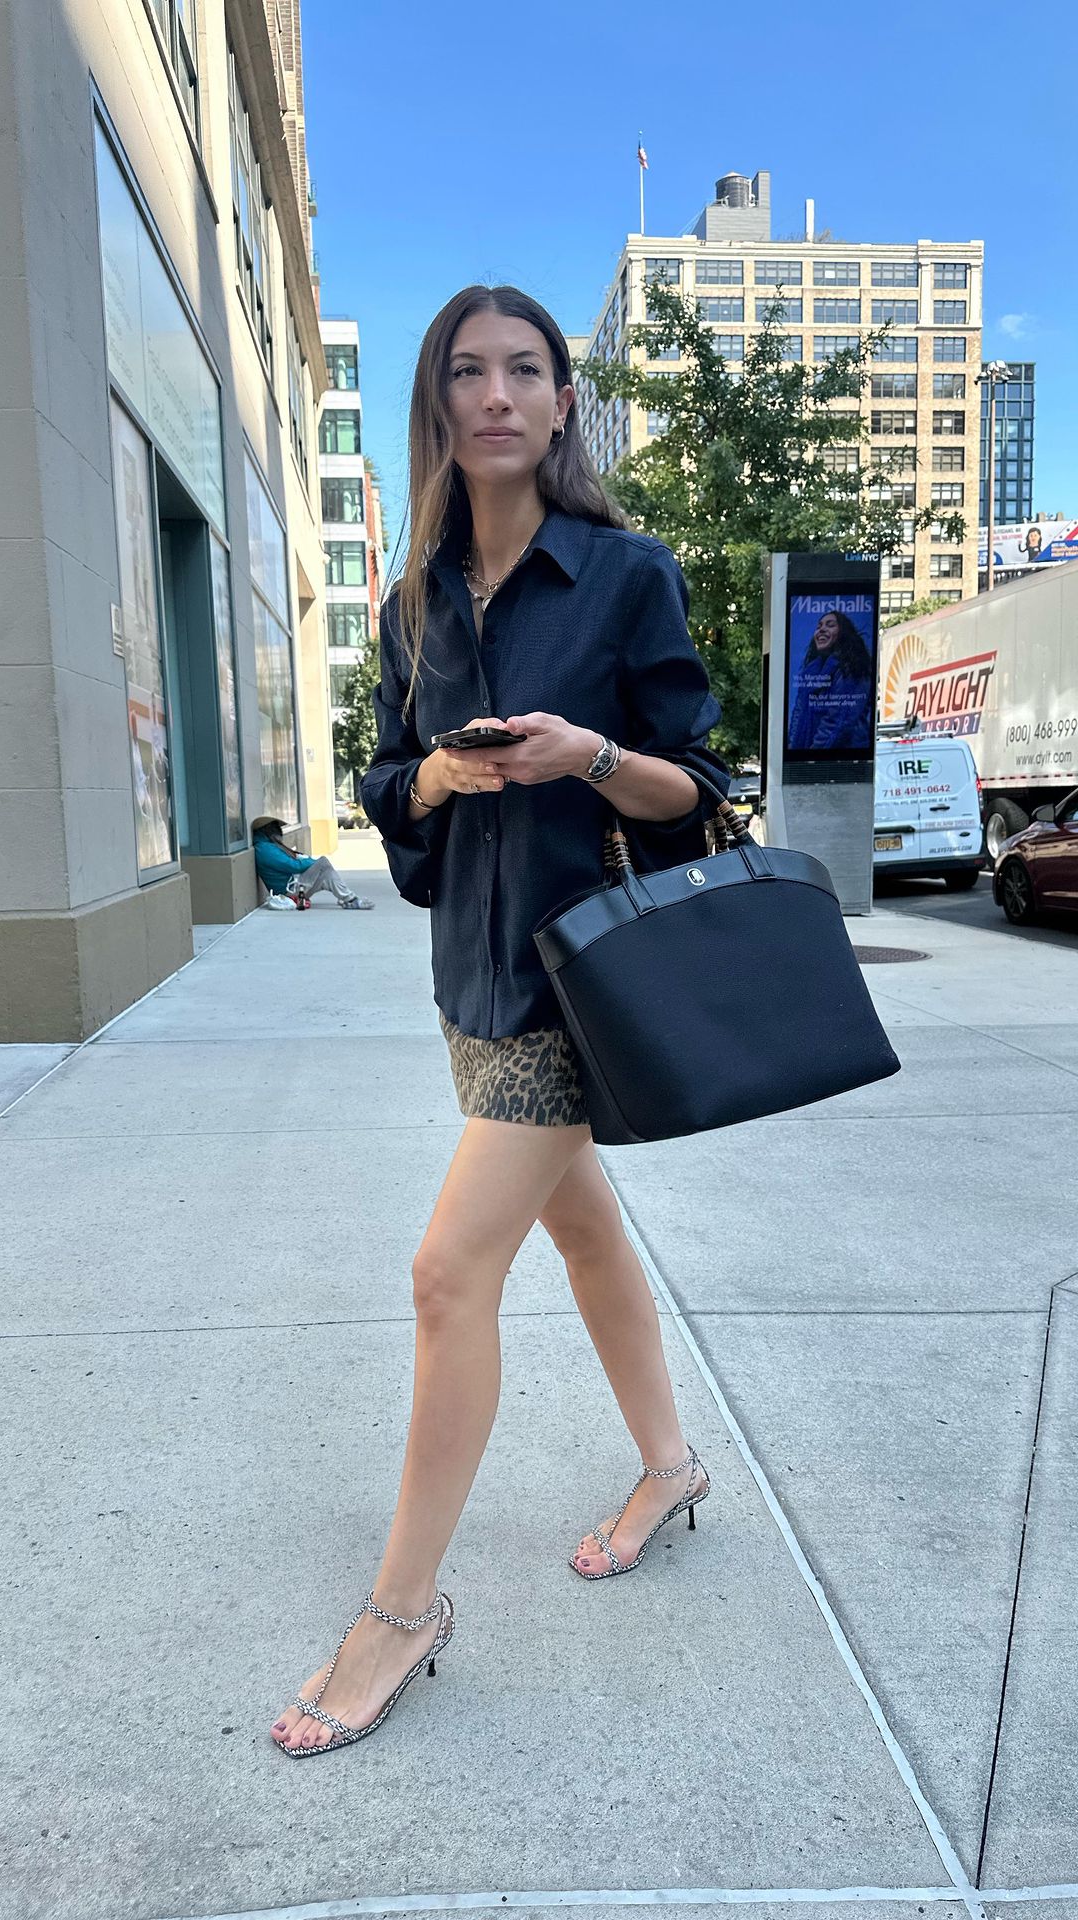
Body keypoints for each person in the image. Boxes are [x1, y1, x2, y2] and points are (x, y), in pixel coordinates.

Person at [269, 284, 723, 1759]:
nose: (498, 395)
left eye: (526, 369)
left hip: (575, 983)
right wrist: (441, 778)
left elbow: (698, 791)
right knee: (582, 1230)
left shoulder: (626, 574)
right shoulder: (413, 602)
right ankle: (671, 1463)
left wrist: (589, 754)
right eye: (468, 372)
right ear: (440, 405)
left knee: (447, 1275)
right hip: (468, 981)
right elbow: (388, 787)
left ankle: (400, 1614)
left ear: (563, 400)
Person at [786, 607, 874, 753]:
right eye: (819, 626)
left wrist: (811, 757)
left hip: (843, 758)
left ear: (843, 633)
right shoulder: (810, 672)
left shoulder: (852, 669)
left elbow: (838, 722)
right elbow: (797, 715)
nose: (822, 629)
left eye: (830, 625)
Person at [251, 816, 373, 909]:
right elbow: (295, 866)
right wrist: (311, 861)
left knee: (327, 874)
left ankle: (349, 899)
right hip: (288, 892)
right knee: (323, 863)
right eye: (275, 828)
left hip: (293, 886)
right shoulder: (265, 849)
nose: (279, 831)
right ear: (267, 830)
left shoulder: (268, 846)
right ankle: (349, 898)